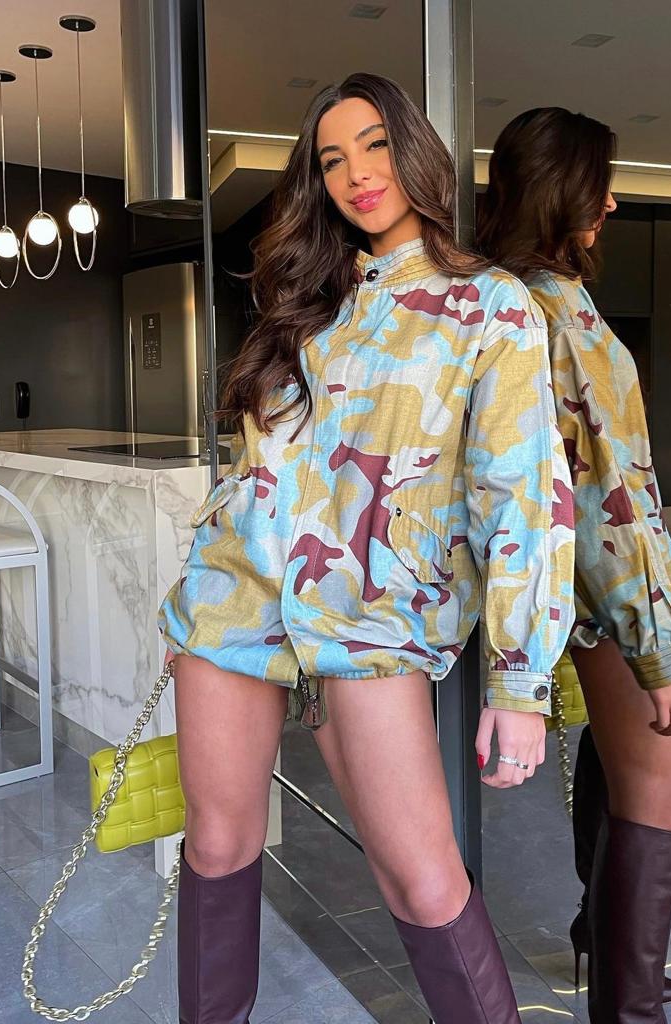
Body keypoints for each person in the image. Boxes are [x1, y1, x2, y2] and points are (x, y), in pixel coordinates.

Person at [158, 74, 576, 1024]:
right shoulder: (311, 298)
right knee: (216, 849)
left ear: (417, 152)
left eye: (376, 145)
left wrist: (519, 681)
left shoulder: (489, 306)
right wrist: (199, 592)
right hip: (236, 605)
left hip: (373, 621)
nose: (358, 174)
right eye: (333, 159)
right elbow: (260, 466)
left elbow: (523, 496)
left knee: (421, 880)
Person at [478, 106, 671, 1024]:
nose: (610, 203)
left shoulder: (498, 297)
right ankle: (628, 1007)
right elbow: (608, 496)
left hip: (561, 590)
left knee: (618, 767)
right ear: (559, 191)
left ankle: (596, 936)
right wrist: (660, 650)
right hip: (606, 593)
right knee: (664, 794)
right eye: (597, 186)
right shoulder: (557, 314)